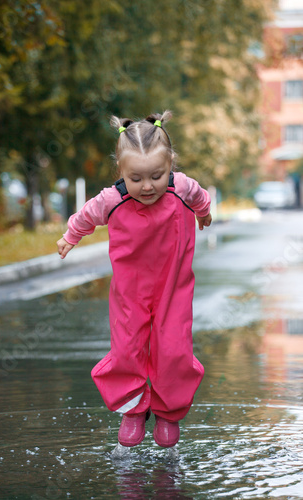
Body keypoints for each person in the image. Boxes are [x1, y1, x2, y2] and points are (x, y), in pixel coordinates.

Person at [57, 111, 212, 448]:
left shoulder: (182, 188)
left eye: (156, 176)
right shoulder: (112, 199)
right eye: (136, 178)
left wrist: (204, 214)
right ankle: (133, 407)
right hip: (130, 292)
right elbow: (86, 215)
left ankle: (169, 412)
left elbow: (201, 197)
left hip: (174, 289)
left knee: (173, 349)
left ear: (171, 165)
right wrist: (71, 236)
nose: (147, 186)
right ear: (121, 172)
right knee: (128, 349)